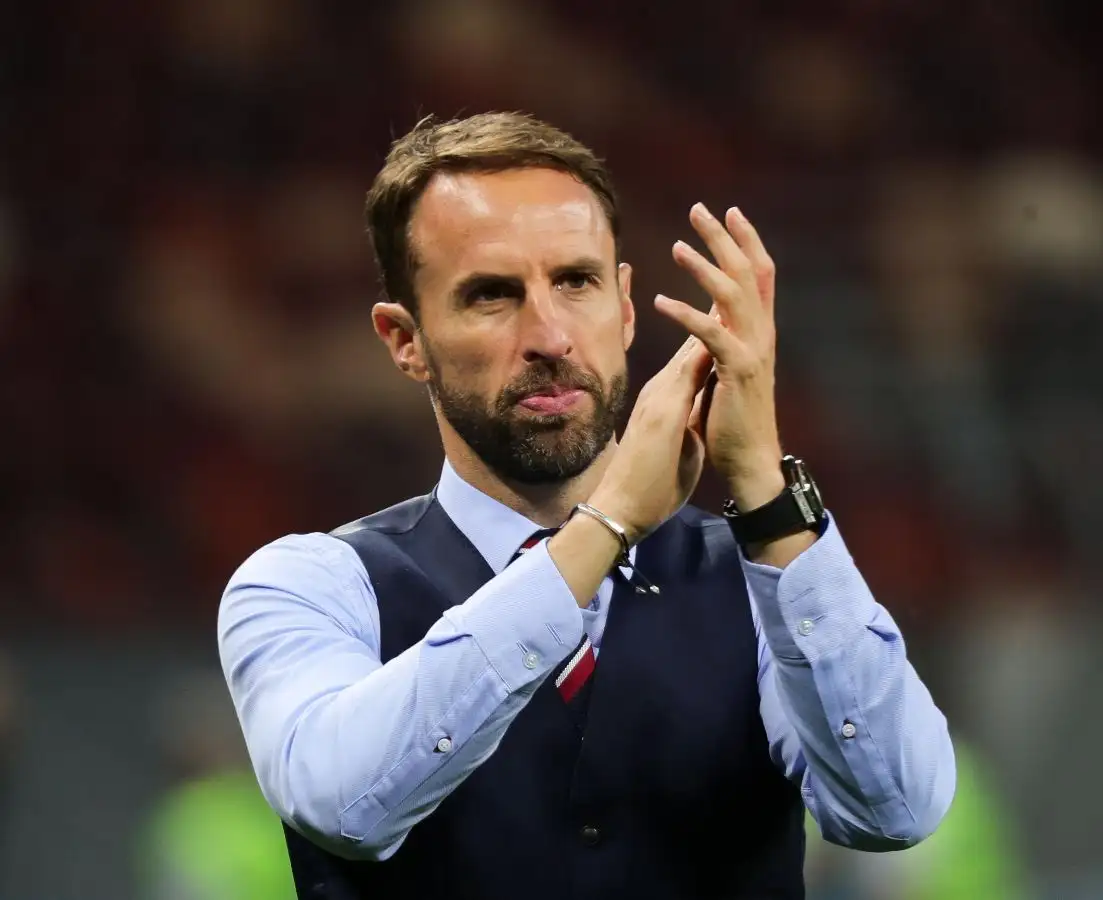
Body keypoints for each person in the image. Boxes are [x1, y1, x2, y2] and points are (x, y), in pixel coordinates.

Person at [217, 112, 956, 900]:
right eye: (492, 295)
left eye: (575, 282)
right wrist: (605, 526)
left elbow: (894, 809)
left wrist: (767, 496)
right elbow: (345, 807)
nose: (550, 336)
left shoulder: (764, 581)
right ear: (405, 339)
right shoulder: (309, 587)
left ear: (626, 308)